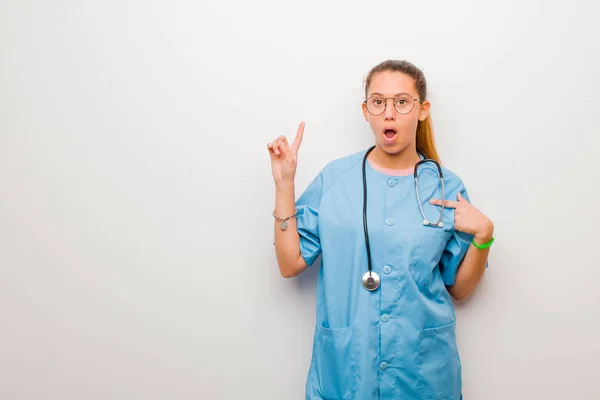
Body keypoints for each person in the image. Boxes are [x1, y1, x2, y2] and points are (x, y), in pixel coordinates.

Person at [266, 59, 494, 400]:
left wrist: (483, 237)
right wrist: (285, 184)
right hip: (347, 371)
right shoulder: (335, 180)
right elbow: (290, 264)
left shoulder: (445, 187)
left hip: (423, 376)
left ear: (422, 109)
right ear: (366, 110)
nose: (389, 112)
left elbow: (459, 289)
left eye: (402, 102)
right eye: (378, 102)